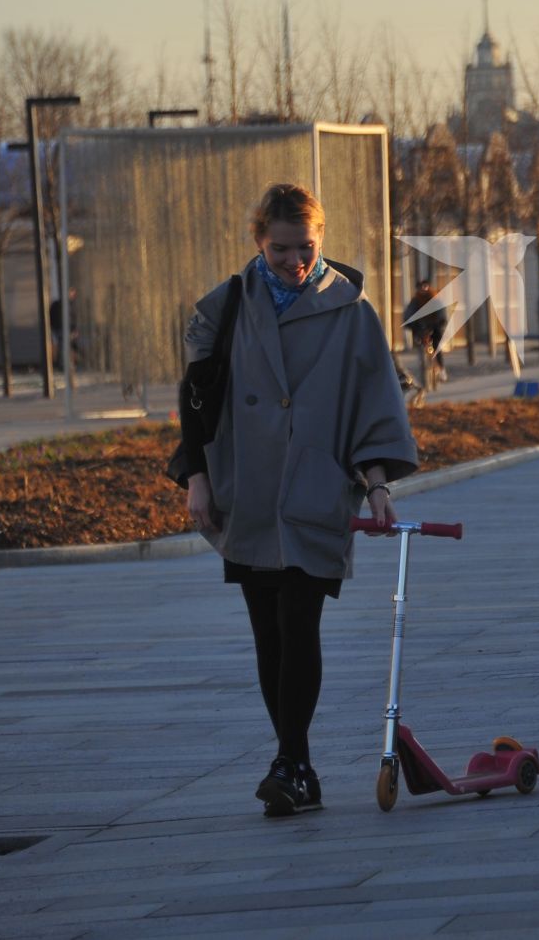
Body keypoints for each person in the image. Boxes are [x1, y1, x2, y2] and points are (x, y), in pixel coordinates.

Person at [168, 182, 418, 818]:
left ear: (321, 239)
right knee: (267, 636)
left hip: (314, 486)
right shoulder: (226, 306)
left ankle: (292, 762)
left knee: (298, 620)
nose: (294, 261)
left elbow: (373, 402)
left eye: (305, 247)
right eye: (280, 248)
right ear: (259, 240)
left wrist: (378, 483)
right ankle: (296, 761)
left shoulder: (351, 310)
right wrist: (197, 477)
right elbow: (194, 403)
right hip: (244, 488)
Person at [401, 281, 446, 404]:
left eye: (425, 287)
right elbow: (408, 316)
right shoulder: (415, 301)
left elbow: (442, 315)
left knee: (437, 345)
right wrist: (411, 325)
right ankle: (424, 372)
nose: (423, 290)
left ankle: (441, 369)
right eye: (421, 287)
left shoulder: (436, 300)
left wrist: (439, 324)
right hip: (420, 329)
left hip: (434, 328)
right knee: (421, 346)